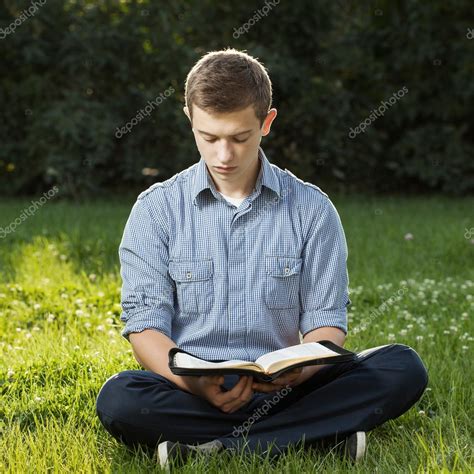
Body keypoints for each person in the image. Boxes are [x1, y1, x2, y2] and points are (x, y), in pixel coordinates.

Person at [95, 48, 428, 469]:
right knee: (120, 398)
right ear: (190, 120)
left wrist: (301, 373)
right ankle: (313, 435)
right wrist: (196, 386)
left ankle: (214, 447)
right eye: (209, 137)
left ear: (267, 122)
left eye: (239, 137)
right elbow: (145, 326)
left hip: (290, 387)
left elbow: (327, 323)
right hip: (192, 391)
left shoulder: (312, 209)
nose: (223, 156)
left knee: (402, 366)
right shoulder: (156, 210)